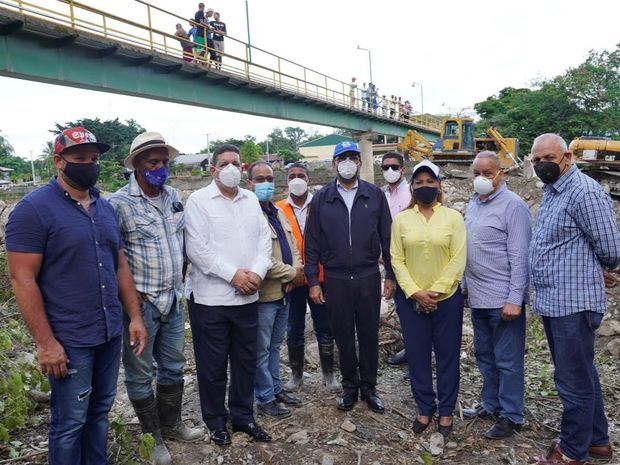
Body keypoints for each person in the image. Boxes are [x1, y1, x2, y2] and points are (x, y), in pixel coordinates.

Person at [5, 127, 147, 465]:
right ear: (58, 161)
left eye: (95, 159)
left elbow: (119, 264)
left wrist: (135, 317)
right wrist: (45, 342)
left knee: (99, 412)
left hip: (109, 331)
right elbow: (22, 278)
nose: (89, 165)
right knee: (69, 423)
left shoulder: (104, 206)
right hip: (70, 339)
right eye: (80, 158)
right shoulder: (33, 210)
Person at [109, 133, 204, 465]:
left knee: (174, 366)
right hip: (142, 304)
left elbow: (182, 243)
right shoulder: (118, 204)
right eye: (153, 162)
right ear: (136, 165)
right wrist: (131, 302)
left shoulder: (174, 196)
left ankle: (173, 424)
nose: (160, 168)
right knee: (138, 372)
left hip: (173, 300)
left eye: (164, 162)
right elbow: (114, 257)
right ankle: (153, 438)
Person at [528, 134, 620, 465]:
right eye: (536, 160)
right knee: (583, 373)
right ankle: (597, 442)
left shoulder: (584, 192)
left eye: (548, 158)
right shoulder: (554, 193)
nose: (542, 165)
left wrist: (595, 266)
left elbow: (611, 249)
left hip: (573, 302)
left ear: (567, 156)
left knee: (571, 381)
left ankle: (571, 452)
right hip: (556, 302)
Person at [185, 144, 273, 445]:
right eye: (224, 163)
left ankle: (243, 417)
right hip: (211, 300)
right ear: (213, 169)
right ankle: (215, 420)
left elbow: (264, 241)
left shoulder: (250, 200)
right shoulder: (198, 201)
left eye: (236, 162)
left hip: (248, 297)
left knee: (245, 361)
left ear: (244, 167)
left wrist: (257, 273)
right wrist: (233, 275)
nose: (231, 168)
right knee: (212, 366)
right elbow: (197, 249)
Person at [305, 141, 395, 413]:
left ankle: (369, 388)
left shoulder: (374, 195)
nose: (347, 163)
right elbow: (311, 243)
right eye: (342, 158)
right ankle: (349, 388)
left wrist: (389, 274)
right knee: (343, 335)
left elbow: (387, 237)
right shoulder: (322, 198)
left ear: (359, 162)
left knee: (368, 334)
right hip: (336, 278)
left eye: (352, 158)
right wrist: (313, 281)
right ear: (334, 163)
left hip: (368, 275)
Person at [390, 159, 466, 437]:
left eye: (430, 182)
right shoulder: (401, 219)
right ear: (412, 187)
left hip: (446, 301)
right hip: (411, 301)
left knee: (448, 357)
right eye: (419, 182)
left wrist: (436, 291)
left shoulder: (453, 218)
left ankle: (446, 412)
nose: (425, 186)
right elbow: (396, 259)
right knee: (418, 356)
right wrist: (415, 292)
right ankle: (425, 408)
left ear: (439, 185)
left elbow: (458, 258)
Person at [461, 151, 531, 439]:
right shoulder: (474, 204)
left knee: (508, 359)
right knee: (485, 355)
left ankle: (511, 415)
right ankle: (490, 404)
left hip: (504, 299)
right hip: (478, 296)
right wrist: (465, 287)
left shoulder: (513, 206)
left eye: (487, 173)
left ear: (501, 174)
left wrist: (516, 298)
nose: (481, 178)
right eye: (476, 172)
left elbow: (520, 255)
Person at [245, 161, 304, 418]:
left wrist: (297, 273)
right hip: (265, 294)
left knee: (274, 346)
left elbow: (293, 244)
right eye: (259, 179)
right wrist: (292, 273)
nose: (265, 183)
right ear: (249, 184)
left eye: (268, 178)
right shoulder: (248, 215)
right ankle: (265, 398)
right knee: (260, 349)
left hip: (284, 292)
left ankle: (276, 389)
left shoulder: (277, 211)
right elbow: (261, 258)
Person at [275, 163, 341, 393]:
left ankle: (329, 374)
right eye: (292, 176)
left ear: (309, 178)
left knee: (324, 325)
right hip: (292, 279)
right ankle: (296, 375)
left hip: (320, 278)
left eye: (301, 175)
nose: (296, 179)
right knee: (293, 327)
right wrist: (289, 272)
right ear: (286, 181)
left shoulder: (322, 203)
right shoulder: (278, 208)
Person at [380, 152, 412, 368]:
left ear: (403, 169)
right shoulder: (380, 194)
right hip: (390, 260)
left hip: (411, 259)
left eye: (394, 166)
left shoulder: (412, 193)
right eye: (385, 167)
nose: (390, 171)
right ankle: (411, 349)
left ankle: (418, 353)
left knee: (415, 307)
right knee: (402, 308)